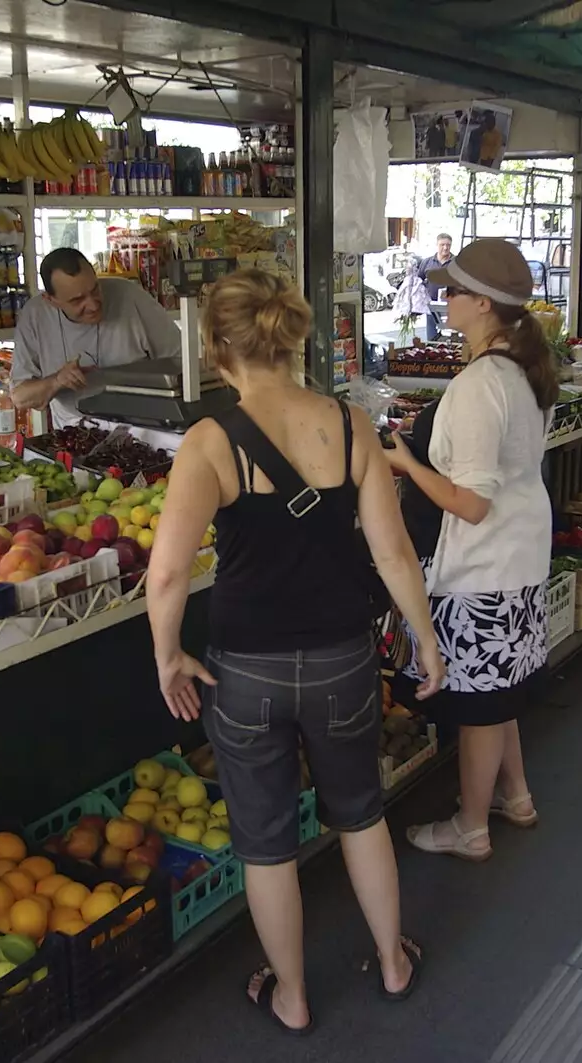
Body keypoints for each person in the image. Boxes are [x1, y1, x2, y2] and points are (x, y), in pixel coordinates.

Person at [146, 269, 445, 1034]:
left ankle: (292, 994)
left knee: (267, 843)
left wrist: (168, 656)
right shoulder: (348, 425)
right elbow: (395, 555)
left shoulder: (209, 443)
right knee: (360, 816)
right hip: (345, 660)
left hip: (244, 670)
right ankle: (393, 960)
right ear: (293, 338)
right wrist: (426, 639)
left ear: (217, 349)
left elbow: (169, 571)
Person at [383, 238, 560, 861]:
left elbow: (471, 501)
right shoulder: (517, 369)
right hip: (517, 556)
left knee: (480, 706)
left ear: (483, 304)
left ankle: (471, 827)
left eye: (452, 290)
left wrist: (403, 463)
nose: (443, 297)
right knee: (498, 688)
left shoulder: (483, 382)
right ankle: (515, 797)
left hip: (485, 565)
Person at [11, 247, 181, 426]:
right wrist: (57, 381)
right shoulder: (35, 316)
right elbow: (20, 397)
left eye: (95, 290)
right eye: (77, 300)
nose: (92, 305)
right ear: (50, 300)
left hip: (143, 428)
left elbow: (184, 361)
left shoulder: (131, 296)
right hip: (76, 434)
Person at [417, 235, 454, 340]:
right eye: (442, 245)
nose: (445, 248)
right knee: (431, 337)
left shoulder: (456, 263)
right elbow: (418, 281)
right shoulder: (427, 262)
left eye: (448, 245)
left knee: (450, 337)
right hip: (431, 306)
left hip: (451, 306)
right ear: (437, 245)